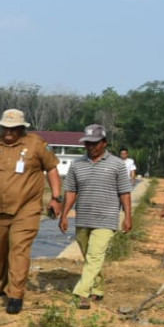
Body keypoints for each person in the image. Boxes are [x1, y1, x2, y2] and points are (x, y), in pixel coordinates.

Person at [0, 109, 63, 314]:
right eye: (5, 128)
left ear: (22, 128)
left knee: (19, 250)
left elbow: (52, 169)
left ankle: (15, 295)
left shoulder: (36, 144)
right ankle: (0, 285)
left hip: (26, 209)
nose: (8, 133)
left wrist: (56, 197)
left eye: (13, 129)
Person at [58, 124, 132, 308]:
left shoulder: (117, 165)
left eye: (94, 143)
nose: (90, 147)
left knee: (95, 255)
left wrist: (128, 216)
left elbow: (124, 192)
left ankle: (81, 293)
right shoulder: (77, 165)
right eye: (87, 143)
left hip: (106, 218)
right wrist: (64, 214)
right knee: (90, 257)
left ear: (104, 143)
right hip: (83, 218)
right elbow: (71, 191)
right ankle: (98, 288)